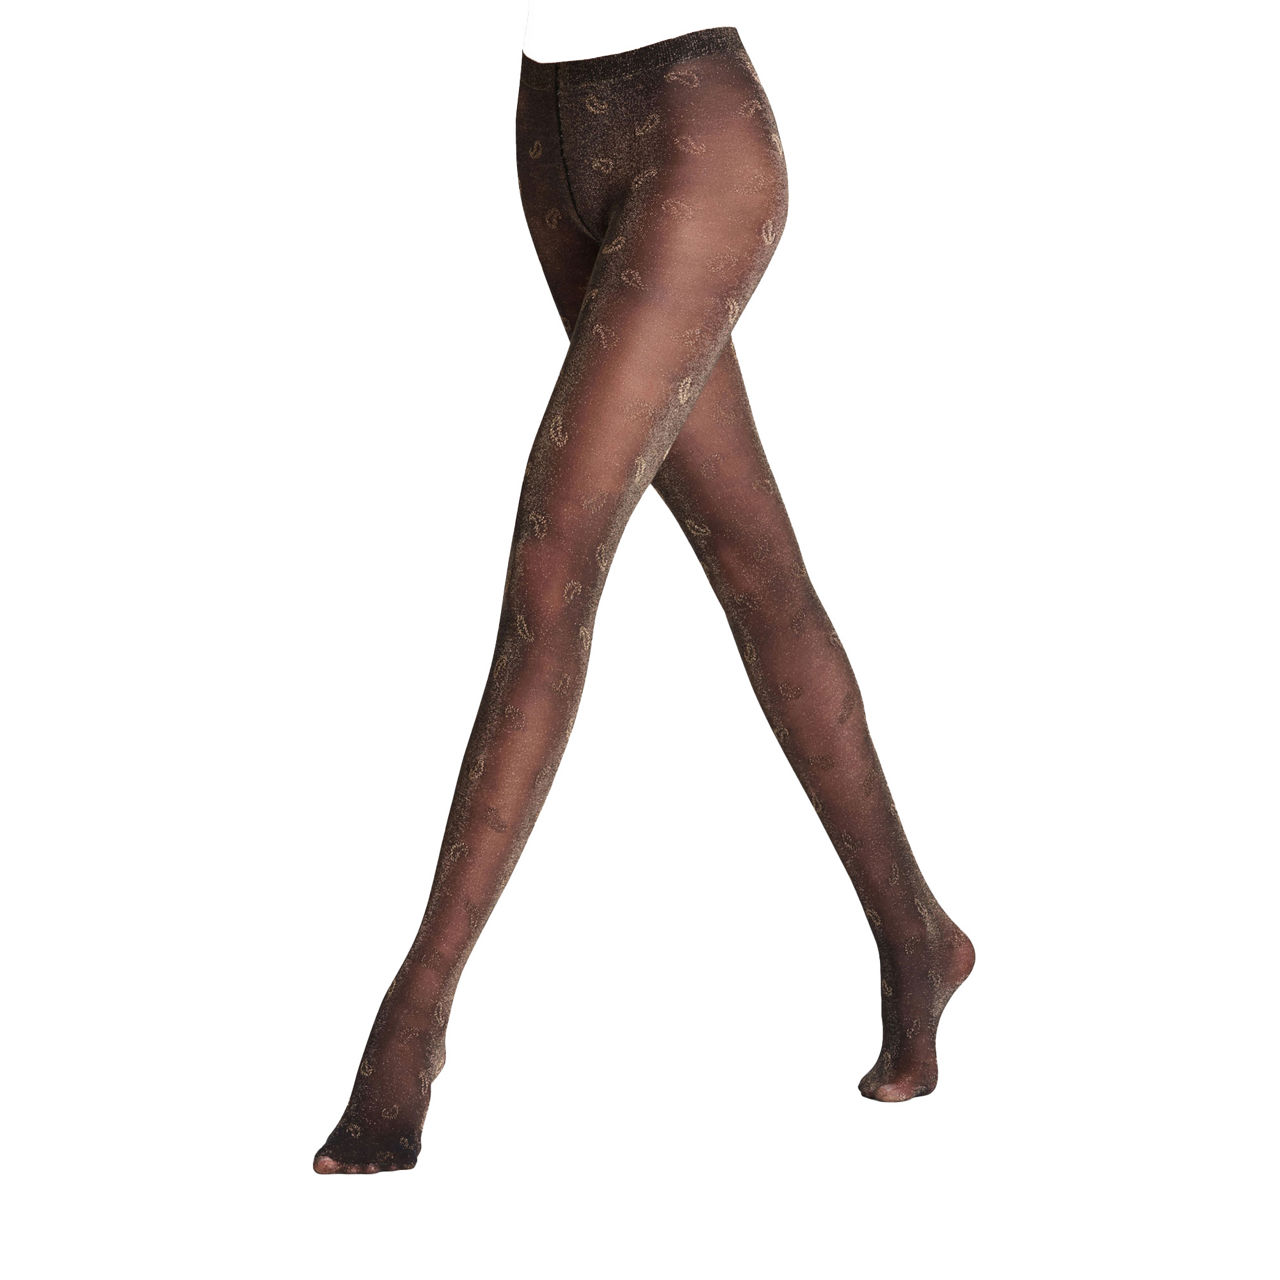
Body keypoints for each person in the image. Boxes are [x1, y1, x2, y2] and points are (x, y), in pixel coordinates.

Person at [313, 15, 975, 1175]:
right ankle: (914, 932)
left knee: (553, 558)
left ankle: (410, 1022)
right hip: (549, 125)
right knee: (754, 565)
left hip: (693, 136)